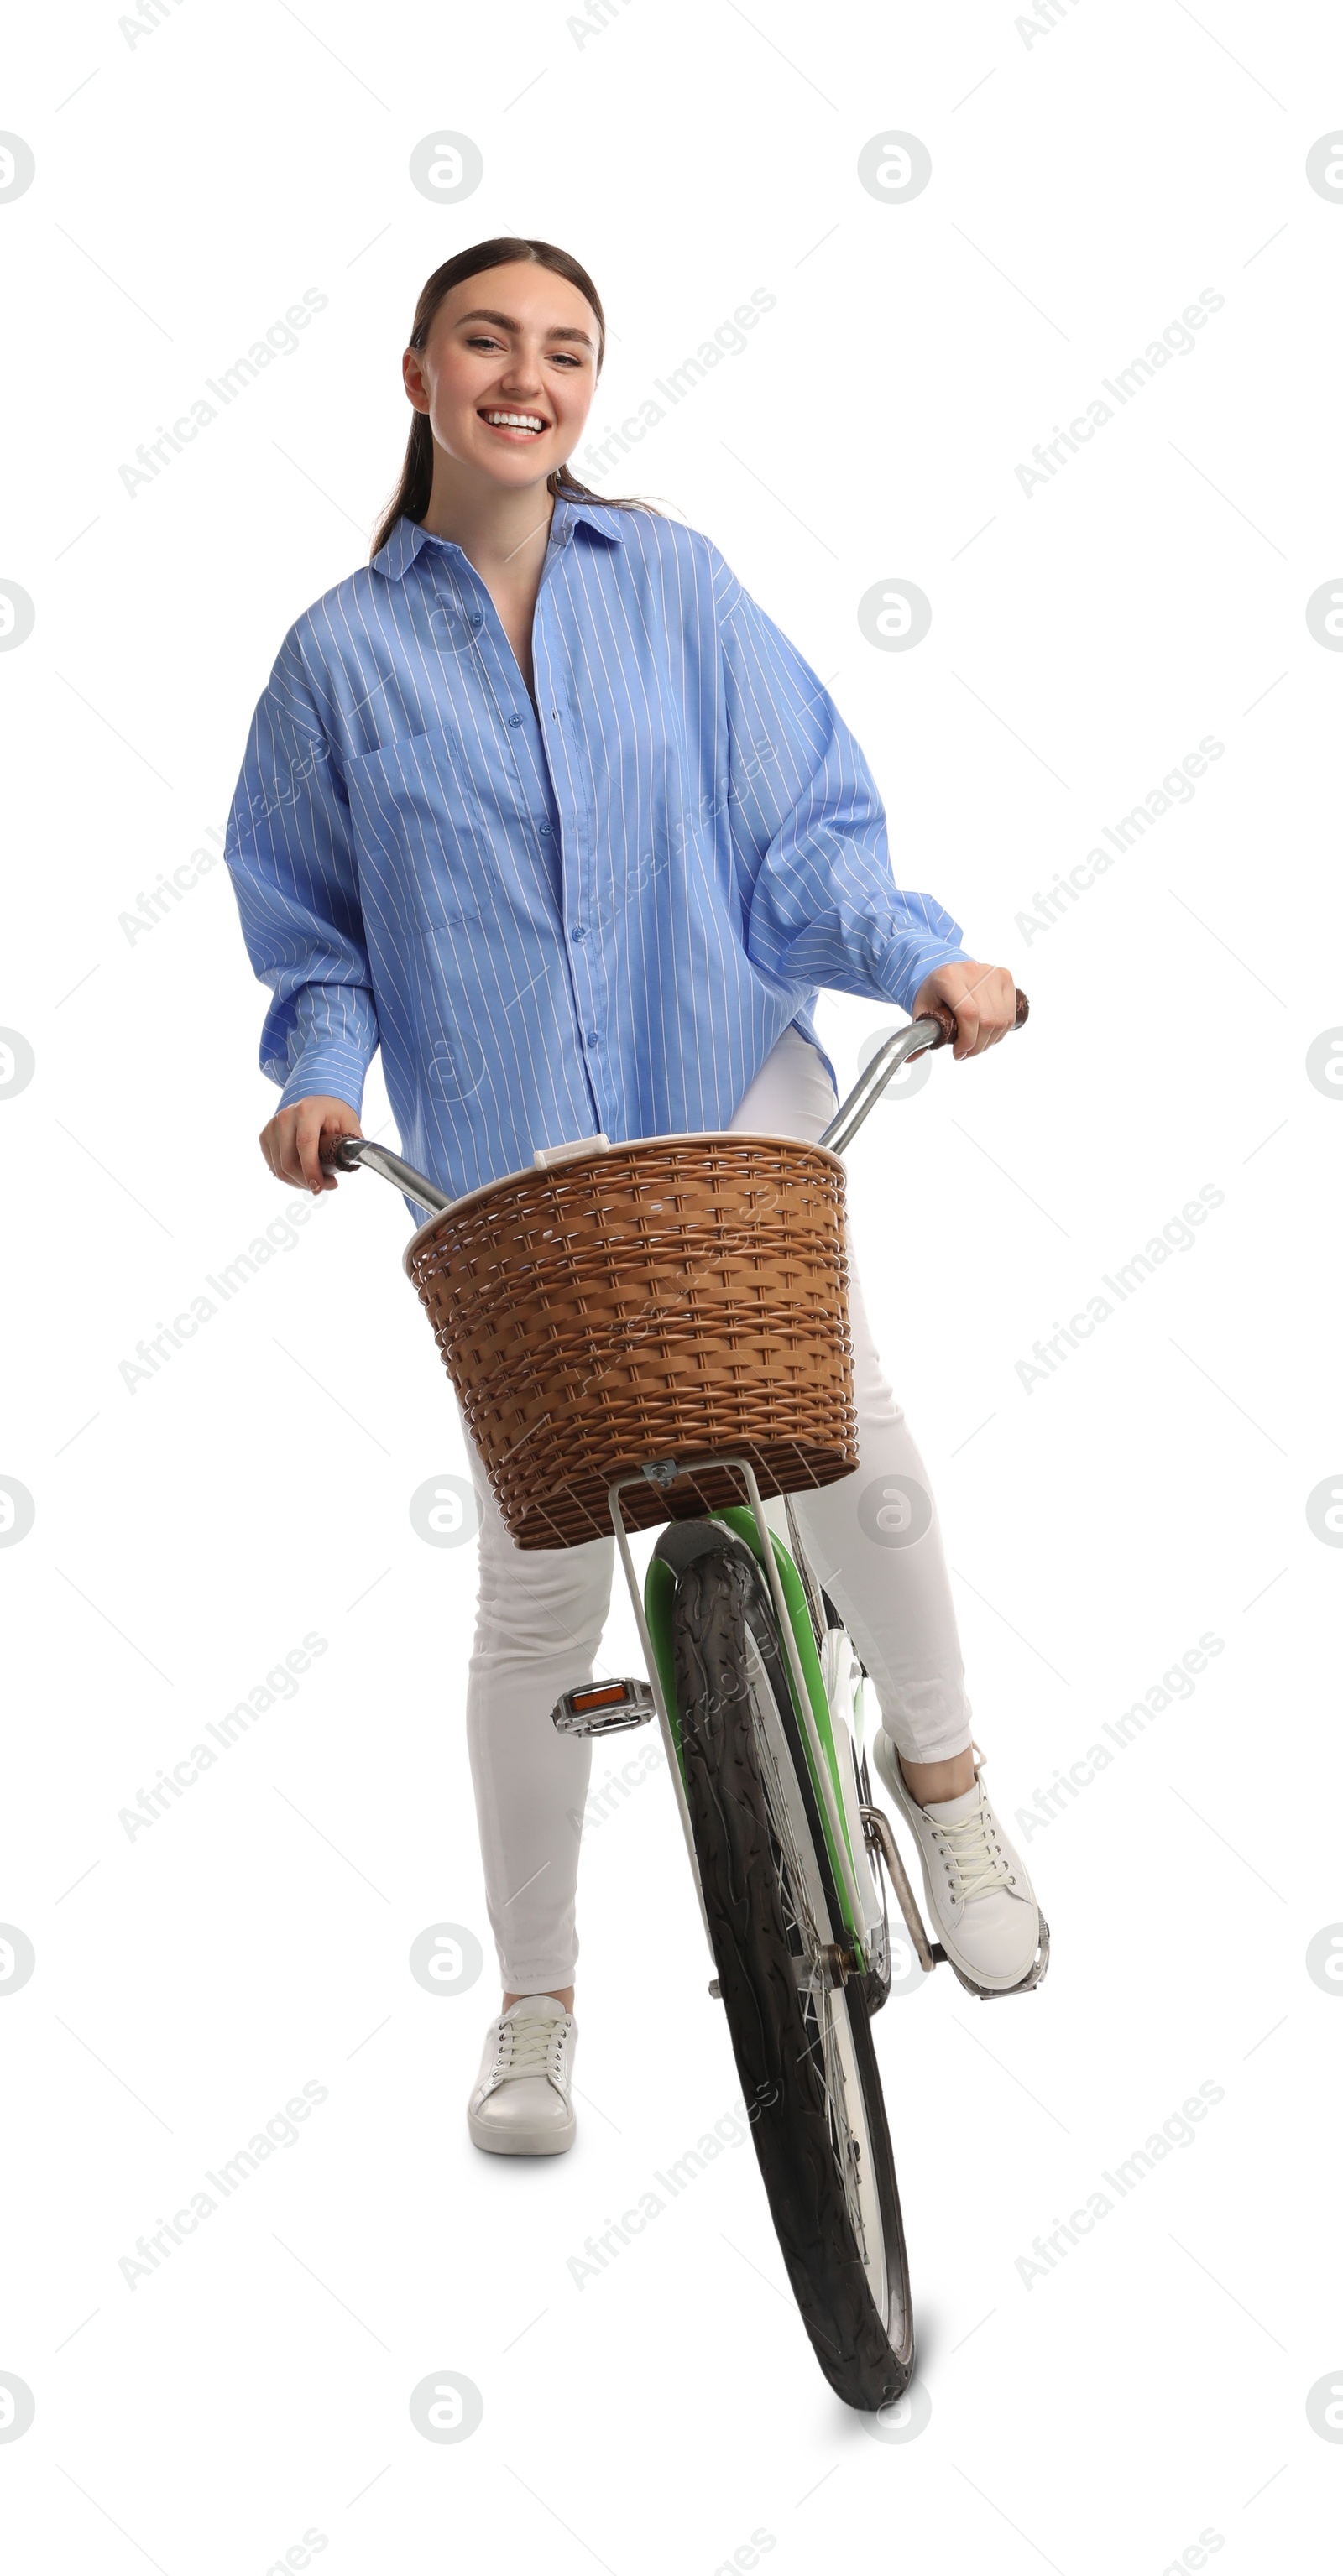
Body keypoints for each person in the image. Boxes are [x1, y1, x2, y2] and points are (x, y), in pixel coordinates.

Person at [222, 236, 1043, 2161]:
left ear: (591, 384)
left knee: (846, 1417)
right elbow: (315, 933)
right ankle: (531, 2008)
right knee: (534, 1585)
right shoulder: (336, 661)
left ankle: (946, 1788)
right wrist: (318, 1079)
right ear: (418, 372)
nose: (530, 376)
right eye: (490, 342)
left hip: (724, 1084)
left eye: (566, 350)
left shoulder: (669, 584)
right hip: (510, 1150)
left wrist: (920, 957)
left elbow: (805, 835)